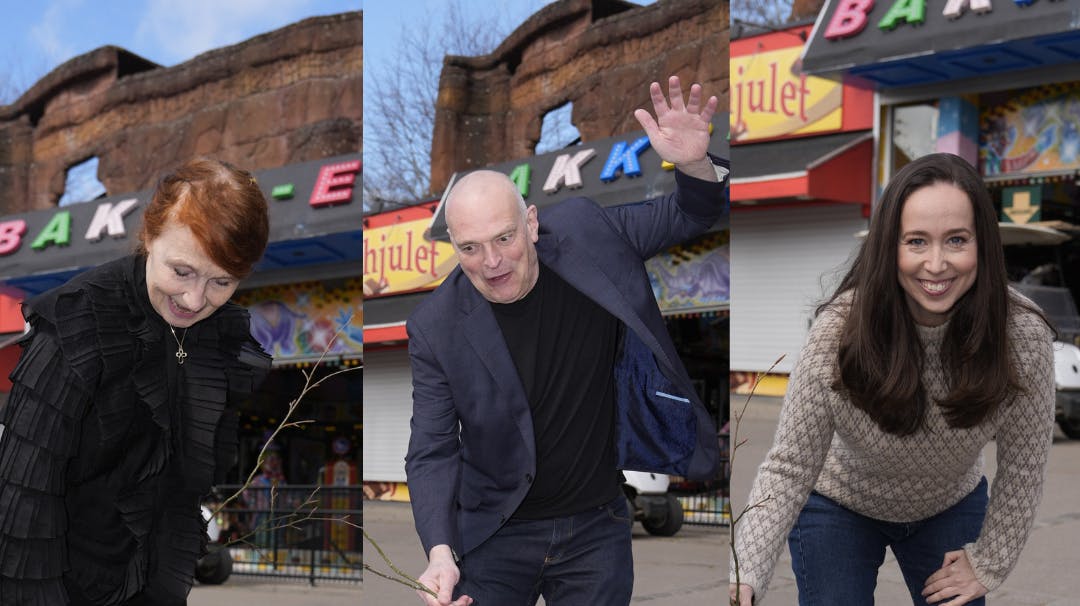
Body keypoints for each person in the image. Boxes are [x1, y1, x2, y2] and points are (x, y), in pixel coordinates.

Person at [404, 75, 728, 606]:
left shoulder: (588, 236)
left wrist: (694, 163)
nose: (491, 262)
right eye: (470, 247)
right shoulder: (436, 326)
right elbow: (432, 450)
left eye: (504, 238)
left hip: (594, 530)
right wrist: (440, 551)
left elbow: (692, 213)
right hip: (493, 538)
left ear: (531, 223)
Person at [730, 153, 1055, 606]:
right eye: (916, 241)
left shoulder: (1021, 335)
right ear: (889, 246)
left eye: (957, 240)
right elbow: (789, 467)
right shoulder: (840, 331)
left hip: (950, 505)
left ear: (983, 243)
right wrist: (747, 571)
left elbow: (1023, 466)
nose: (936, 264)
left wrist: (989, 563)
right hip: (837, 503)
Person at [0, 158, 272, 605]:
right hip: (55, 586)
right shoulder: (76, 326)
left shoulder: (215, 336)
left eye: (222, 281)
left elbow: (180, 492)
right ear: (148, 236)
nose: (195, 300)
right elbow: (22, 500)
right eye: (181, 271)